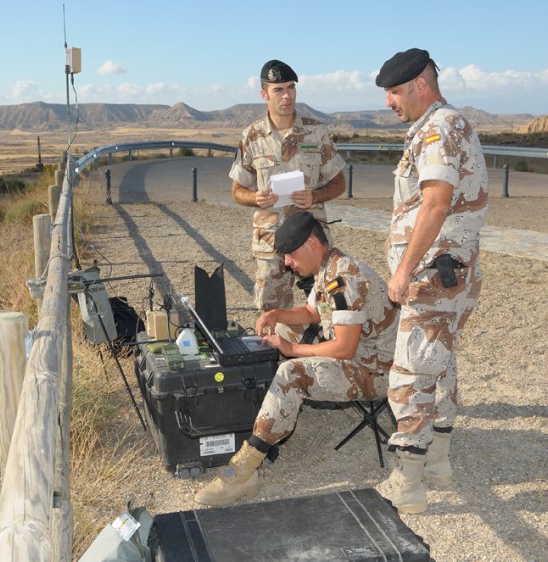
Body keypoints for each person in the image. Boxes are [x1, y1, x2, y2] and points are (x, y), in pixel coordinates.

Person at [194, 211, 398, 506]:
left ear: (312, 244)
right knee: (282, 328)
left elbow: (344, 348)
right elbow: (314, 313)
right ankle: (280, 413)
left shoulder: (344, 278)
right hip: (361, 359)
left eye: (290, 254)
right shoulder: (329, 267)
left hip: (377, 372)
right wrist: (276, 314)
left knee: (292, 372)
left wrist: (293, 351)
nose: (287, 263)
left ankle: (246, 468)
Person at [373, 48, 489, 514]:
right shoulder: (438, 125)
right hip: (449, 272)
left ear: (421, 84)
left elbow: (437, 202)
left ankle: (409, 481)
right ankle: (438, 460)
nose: (389, 102)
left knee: (410, 373)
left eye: (396, 92)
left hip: (430, 277)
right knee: (439, 363)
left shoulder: (439, 128)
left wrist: (402, 272)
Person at [229, 59, 347, 313]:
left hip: (311, 237)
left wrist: (315, 195)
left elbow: (339, 183)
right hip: (270, 242)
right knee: (272, 314)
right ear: (264, 95)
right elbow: (237, 191)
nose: (287, 95)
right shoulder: (252, 136)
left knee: (326, 308)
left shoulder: (316, 132)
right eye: (278, 90)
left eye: (291, 88)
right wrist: (256, 198)